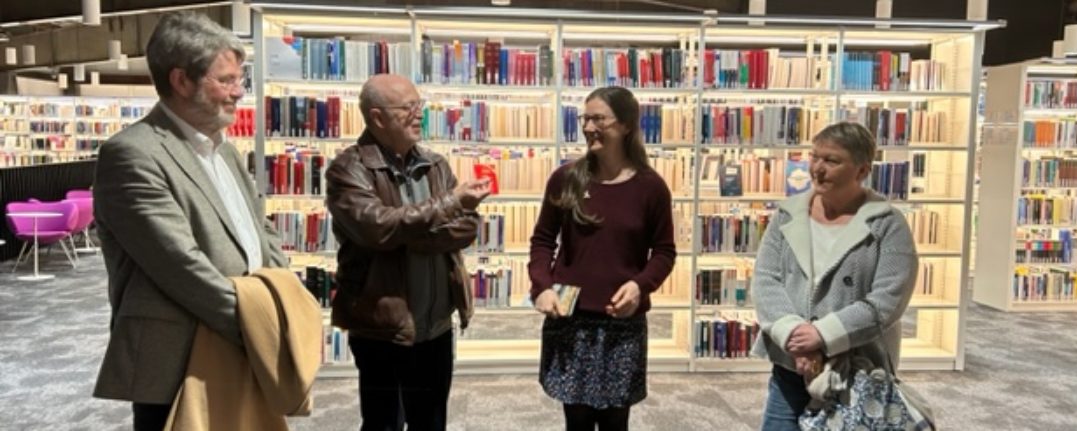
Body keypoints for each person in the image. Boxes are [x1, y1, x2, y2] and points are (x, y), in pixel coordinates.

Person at [91, 12, 288, 431]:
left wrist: (281, 296)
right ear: (181, 81)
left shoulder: (225, 150)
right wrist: (260, 324)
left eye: (240, 79)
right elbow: (180, 265)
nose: (239, 92)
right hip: (179, 361)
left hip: (240, 343)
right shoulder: (132, 154)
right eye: (227, 80)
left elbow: (261, 231)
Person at [325, 74, 491, 431]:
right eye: (408, 107)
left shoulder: (435, 164)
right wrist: (449, 204)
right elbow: (377, 228)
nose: (420, 114)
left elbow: (466, 227)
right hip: (382, 327)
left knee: (431, 423)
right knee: (383, 423)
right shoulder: (348, 169)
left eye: (420, 105)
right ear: (377, 117)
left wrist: (405, 234)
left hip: (436, 325)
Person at [751, 122, 919, 430]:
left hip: (857, 370)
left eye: (831, 160)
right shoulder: (788, 214)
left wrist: (823, 335)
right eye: (814, 157)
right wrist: (796, 336)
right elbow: (765, 280)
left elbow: (888, 300)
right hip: (792, 363)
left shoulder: (888, 224)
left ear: (861, 170)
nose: (817, 168)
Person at [528, 86, 677, 431]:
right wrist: (542, 287)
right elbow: (543, 241)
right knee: (576, 419)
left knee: (615, 420)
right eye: (585, 118)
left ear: (625, 125)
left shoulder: (651, 187)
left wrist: (640, 286)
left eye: (598, 119)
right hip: (570, 318)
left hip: (622, 324)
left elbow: (664, 252)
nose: (588, 127)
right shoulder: (565, 179)